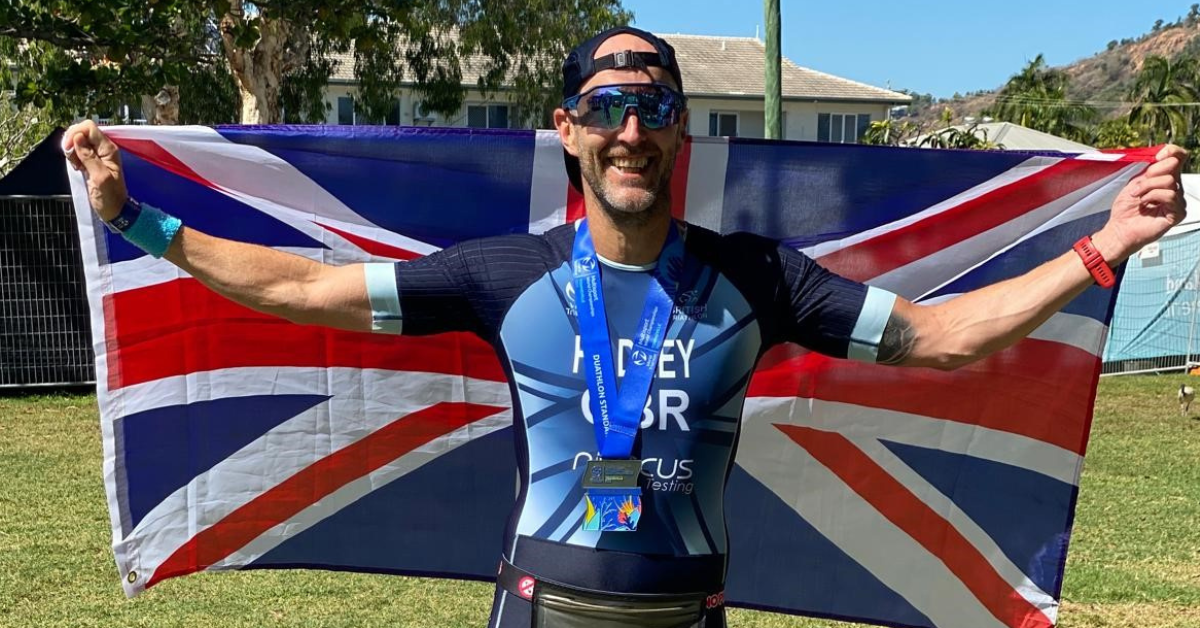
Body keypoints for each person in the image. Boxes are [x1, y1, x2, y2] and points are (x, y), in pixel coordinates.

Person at [65, 25, 1186, 628]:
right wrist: (139, 219)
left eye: (651, 108)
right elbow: (303, 288)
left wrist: (1102, 249)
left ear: (679, 129)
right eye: (605, 109)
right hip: (540, 612)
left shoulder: (760, 276)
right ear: (568, 131)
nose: (630, 130)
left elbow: (944, 338)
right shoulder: (504, 274)